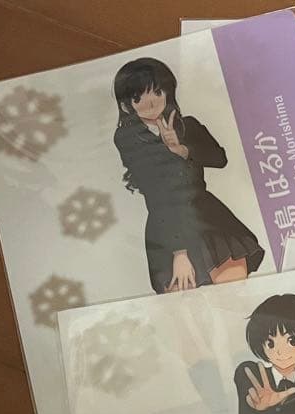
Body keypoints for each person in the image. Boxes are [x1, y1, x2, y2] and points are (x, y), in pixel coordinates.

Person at [113, 57, 264, 294]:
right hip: (167, 226)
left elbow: (219, 158)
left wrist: (181, 150)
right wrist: (180, 253)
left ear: (168, 91)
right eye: (138, 98)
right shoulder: (128, 139)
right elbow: (158, 194)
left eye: (157, 92)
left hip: (209, 217)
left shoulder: (188, 125)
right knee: (188, 306)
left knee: (233, 296)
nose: (151, 102)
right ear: (126, 105)